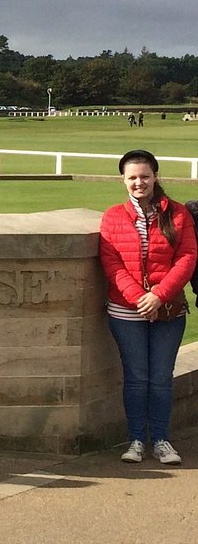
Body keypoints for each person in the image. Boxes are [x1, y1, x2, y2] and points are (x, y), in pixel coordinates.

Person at [98, 149, 195, 465]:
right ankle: (137, 439)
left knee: (161, 378)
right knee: (137, 377)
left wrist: (159, 296)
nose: (139, 182)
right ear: (123, 180)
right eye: (132, 177)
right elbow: (111, 262)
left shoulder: (178, 214)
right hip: (126, 312)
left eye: (145, 176)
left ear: (155, 177)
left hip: (168, 311)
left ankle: (162, 440)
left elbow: (187, 258)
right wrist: (141, 298)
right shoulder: (113, 216)